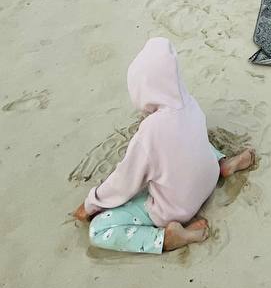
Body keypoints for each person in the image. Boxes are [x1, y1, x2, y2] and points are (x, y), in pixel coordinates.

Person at [72, 37, 254, 254]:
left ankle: (167, 238)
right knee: (192, 142)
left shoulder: (150, 133)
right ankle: (224, 164)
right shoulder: (189, 103)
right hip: (209, 177)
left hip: (175, 209)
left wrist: (91, 204)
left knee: (99, 229)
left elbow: (124, 182)